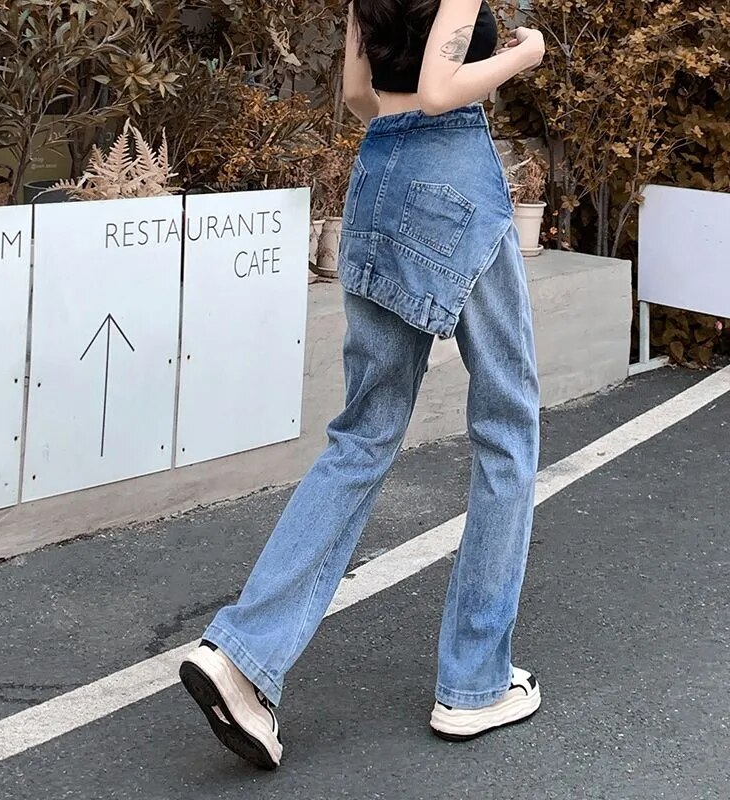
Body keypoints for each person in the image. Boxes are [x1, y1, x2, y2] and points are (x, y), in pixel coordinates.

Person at [178, 0, 546, 770]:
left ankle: (242, 655)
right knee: (508, 425)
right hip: (451, 181)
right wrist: (525, 54)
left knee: (364, 434)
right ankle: (474, 684)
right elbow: (441, 91)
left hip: (378, 181)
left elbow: (356, 94)